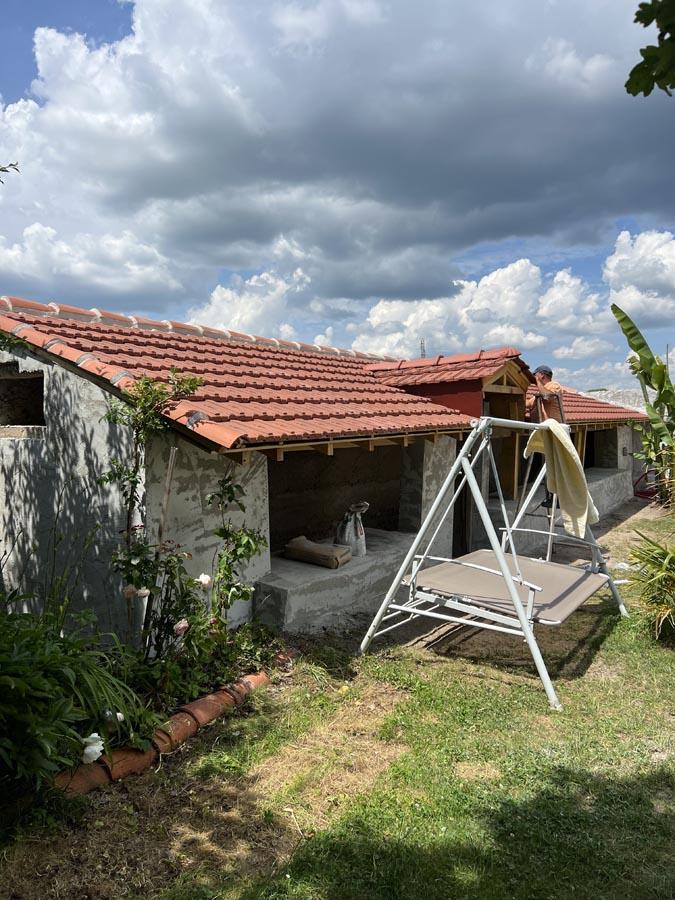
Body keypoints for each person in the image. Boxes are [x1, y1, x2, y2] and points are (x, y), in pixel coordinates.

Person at [526, 365, 565, 509]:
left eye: (536, 375)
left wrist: (537, 383)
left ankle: (558, 497)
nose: (535, 377)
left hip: (555, 429)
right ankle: (551, 496)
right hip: (546, 430)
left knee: (555, 465)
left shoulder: (554, 386)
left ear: (542, 375)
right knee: (548, 465)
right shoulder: (541, 390)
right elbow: (528, 404)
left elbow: (547, 397)